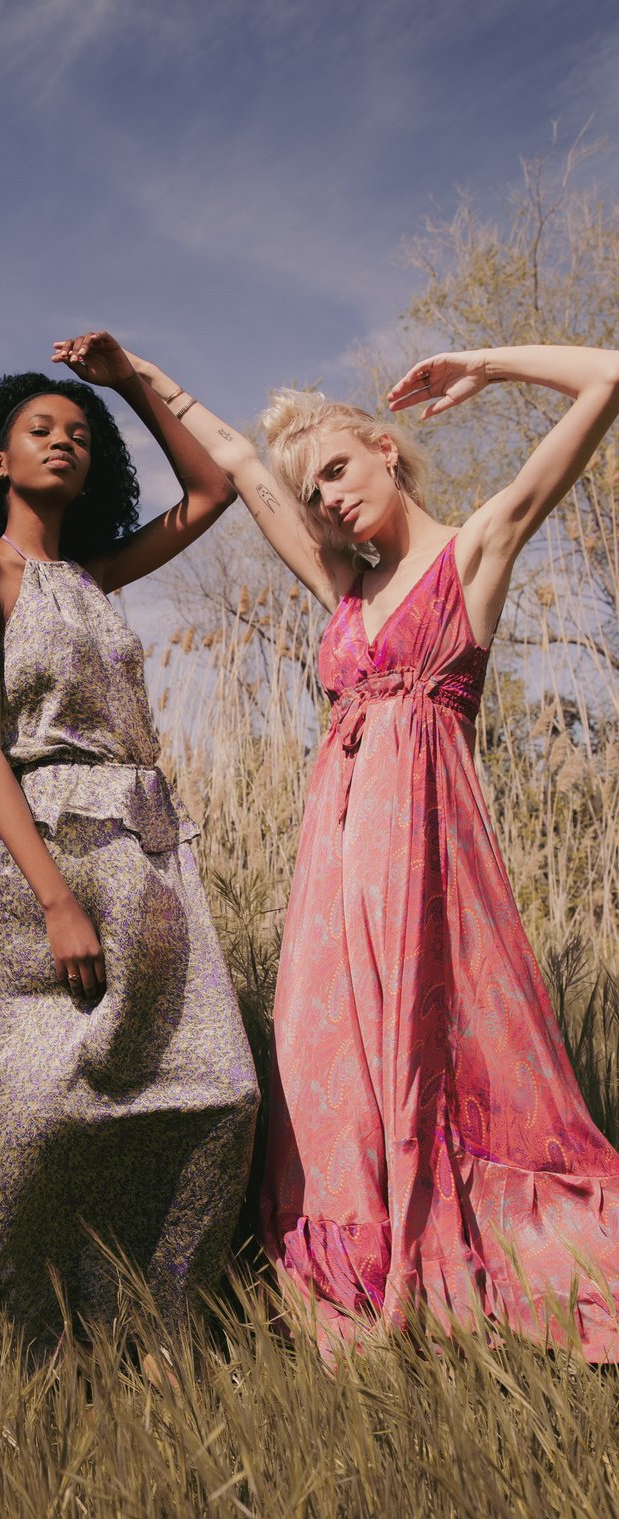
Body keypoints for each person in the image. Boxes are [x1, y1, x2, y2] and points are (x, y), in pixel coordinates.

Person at [126, 343, 619, 1357]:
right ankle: (355, 1295)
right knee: (324, 1071)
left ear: (386, 451)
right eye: (312, 496)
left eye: (338, 473)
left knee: (439, 1058)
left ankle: (475, 1264)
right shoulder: (341, 590)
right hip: (332, 864)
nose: (324, 502)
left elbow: (610, 376)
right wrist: (133, 375)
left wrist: (486, 362)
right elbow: (242, 465)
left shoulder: (471, 552)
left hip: (427, 861)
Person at [0, 331, 258, 1341]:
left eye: (81, 434)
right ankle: (29, 1334)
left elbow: (213, 491)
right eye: (41, 429)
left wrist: (129, 381)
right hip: (42, 851)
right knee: (34, 1113)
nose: (66, 440)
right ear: (0, 462)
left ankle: (158, 1324)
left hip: (147, 849)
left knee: (215, 1090)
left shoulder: (95, 576)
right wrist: (54, 897)